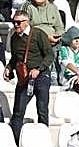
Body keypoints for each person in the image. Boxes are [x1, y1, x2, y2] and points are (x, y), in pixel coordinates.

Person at [6, 9, 54, 138]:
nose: (16, 25)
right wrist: (9, 67)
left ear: (27, 22)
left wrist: (39, 68)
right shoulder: (14, 37)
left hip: (41, 76)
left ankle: (43, 139)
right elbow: (15, 57)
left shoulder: (38, 34)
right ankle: (15, 140)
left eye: (19, 22)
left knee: (42, 109)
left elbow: (50, 55)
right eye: (14, 22)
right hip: (25, 77)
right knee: (18, 110)